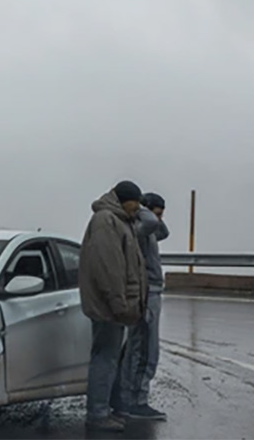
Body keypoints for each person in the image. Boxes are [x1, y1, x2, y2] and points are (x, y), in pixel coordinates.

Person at [78, 180, 148, 432]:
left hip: (116, 306)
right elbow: (109, 269)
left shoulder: (121, 222)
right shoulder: (106, 221)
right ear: (123, 199)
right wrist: (119, 303)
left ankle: (107, 409)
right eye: (135, 201)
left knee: (112, 359)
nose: (138, 207)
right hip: (108, 307)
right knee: (104, 359)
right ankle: (97, 413)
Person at [113, 192, 170, 421]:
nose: (159, 219)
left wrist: (153, 214)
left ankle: (130, 399)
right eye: (157, 213)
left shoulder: (148, 228)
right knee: (145, 349)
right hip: (146, 293)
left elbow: (164, 232)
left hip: (151, 291)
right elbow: (152, 223)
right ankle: (136, 401)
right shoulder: (138, 228)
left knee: (139, 347)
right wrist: (143, 209)